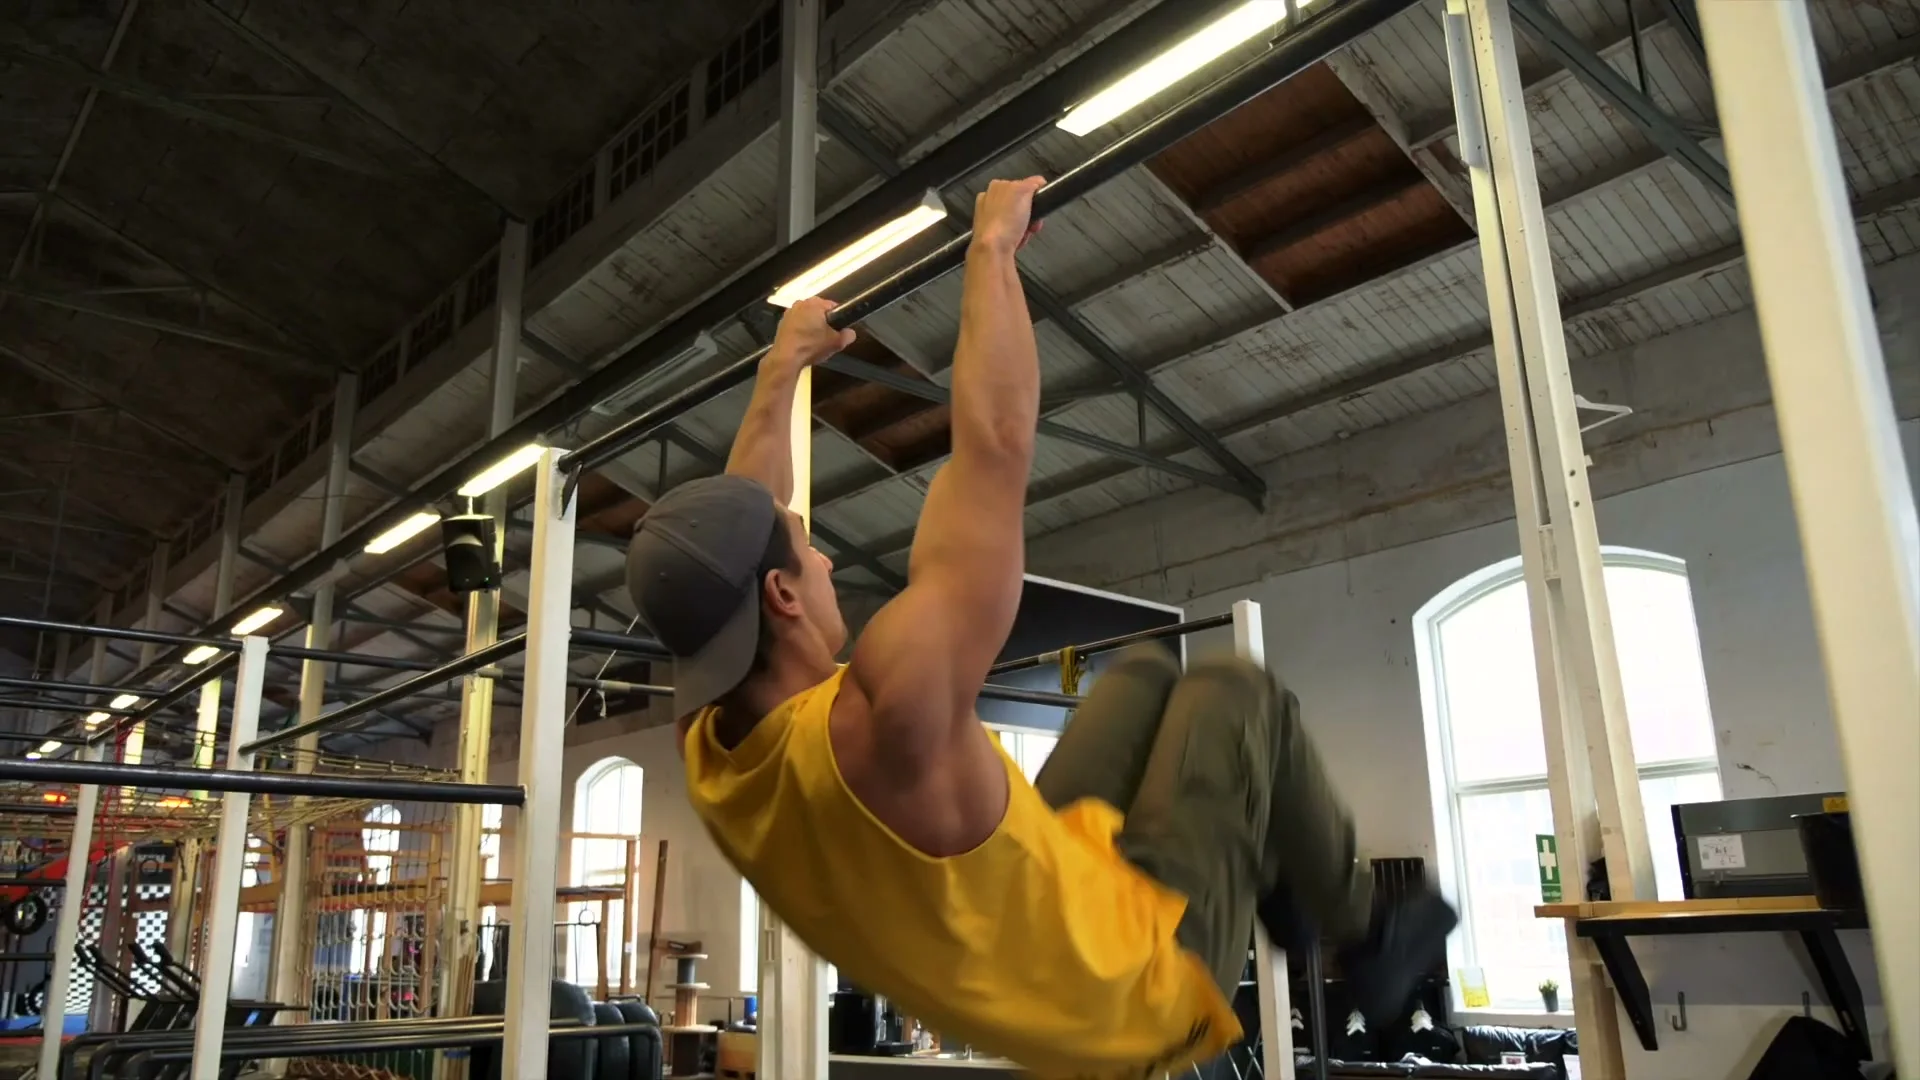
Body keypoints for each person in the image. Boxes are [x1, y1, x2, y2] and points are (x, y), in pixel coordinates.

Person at [625, 176, 1457, 1078]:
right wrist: (991, 252)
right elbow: (995, 447)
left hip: (1033, 915)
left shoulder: (706, 737)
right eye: (808, 550)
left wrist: (782, 364)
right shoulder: (888, 711)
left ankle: (1277, 869)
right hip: (1127, 1000)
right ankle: (1372, 937)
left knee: (1140, 679)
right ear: (783, 598)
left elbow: (752, 511)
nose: (824, 556)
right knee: (1230, 693)